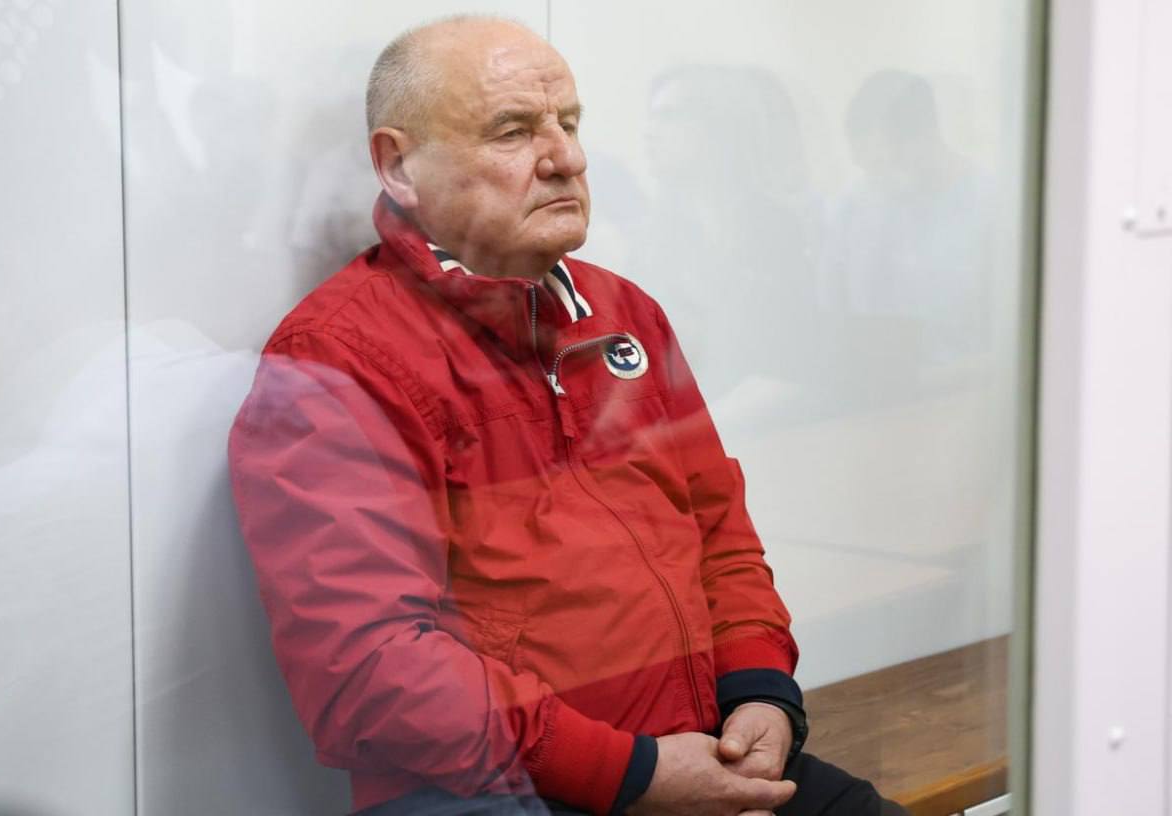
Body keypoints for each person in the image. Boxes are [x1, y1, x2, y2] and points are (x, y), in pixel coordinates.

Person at [229, 15, 906, 816]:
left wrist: (758, 689)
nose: (568, 158)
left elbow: (717, 528)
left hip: (695, 749)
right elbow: (369, 671)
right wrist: (632, 773)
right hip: (498, 790)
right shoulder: (335, 359)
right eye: (513, 131)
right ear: (398, 164)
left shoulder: (626, 315)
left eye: (571, 124)